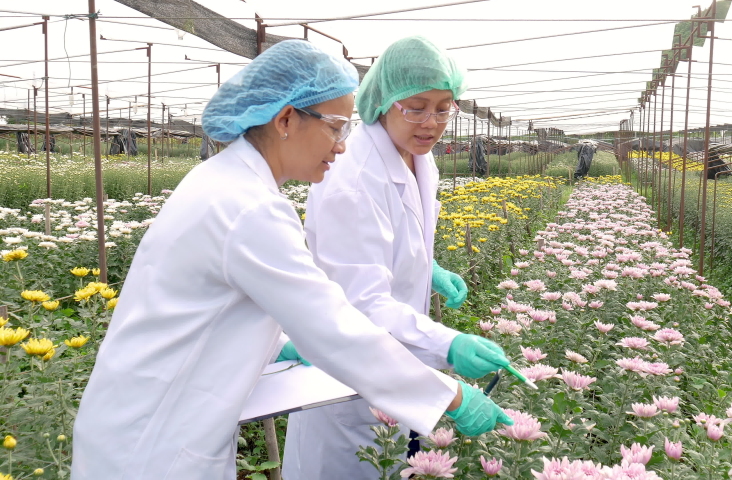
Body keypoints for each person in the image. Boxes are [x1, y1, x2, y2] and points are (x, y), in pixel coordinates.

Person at [70, 40, 511, 480]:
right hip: (154, 446)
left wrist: (279, 342)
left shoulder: (228, 184)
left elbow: (210, 305)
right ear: (285, 120)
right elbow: (335, 328)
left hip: (147, 425)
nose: (342, 146)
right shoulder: (249, 208)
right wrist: (451, 396)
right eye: (336, 127)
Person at [282, 36, 510, 480]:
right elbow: (359, 307)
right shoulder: (351, 174)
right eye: (417, 107)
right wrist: (448, 344)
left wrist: (428, 270)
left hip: (398, 365)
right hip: (347, 385)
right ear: (384, 101)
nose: (432, 122)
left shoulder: (419, 160)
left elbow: (390, 243)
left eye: (445, 108)